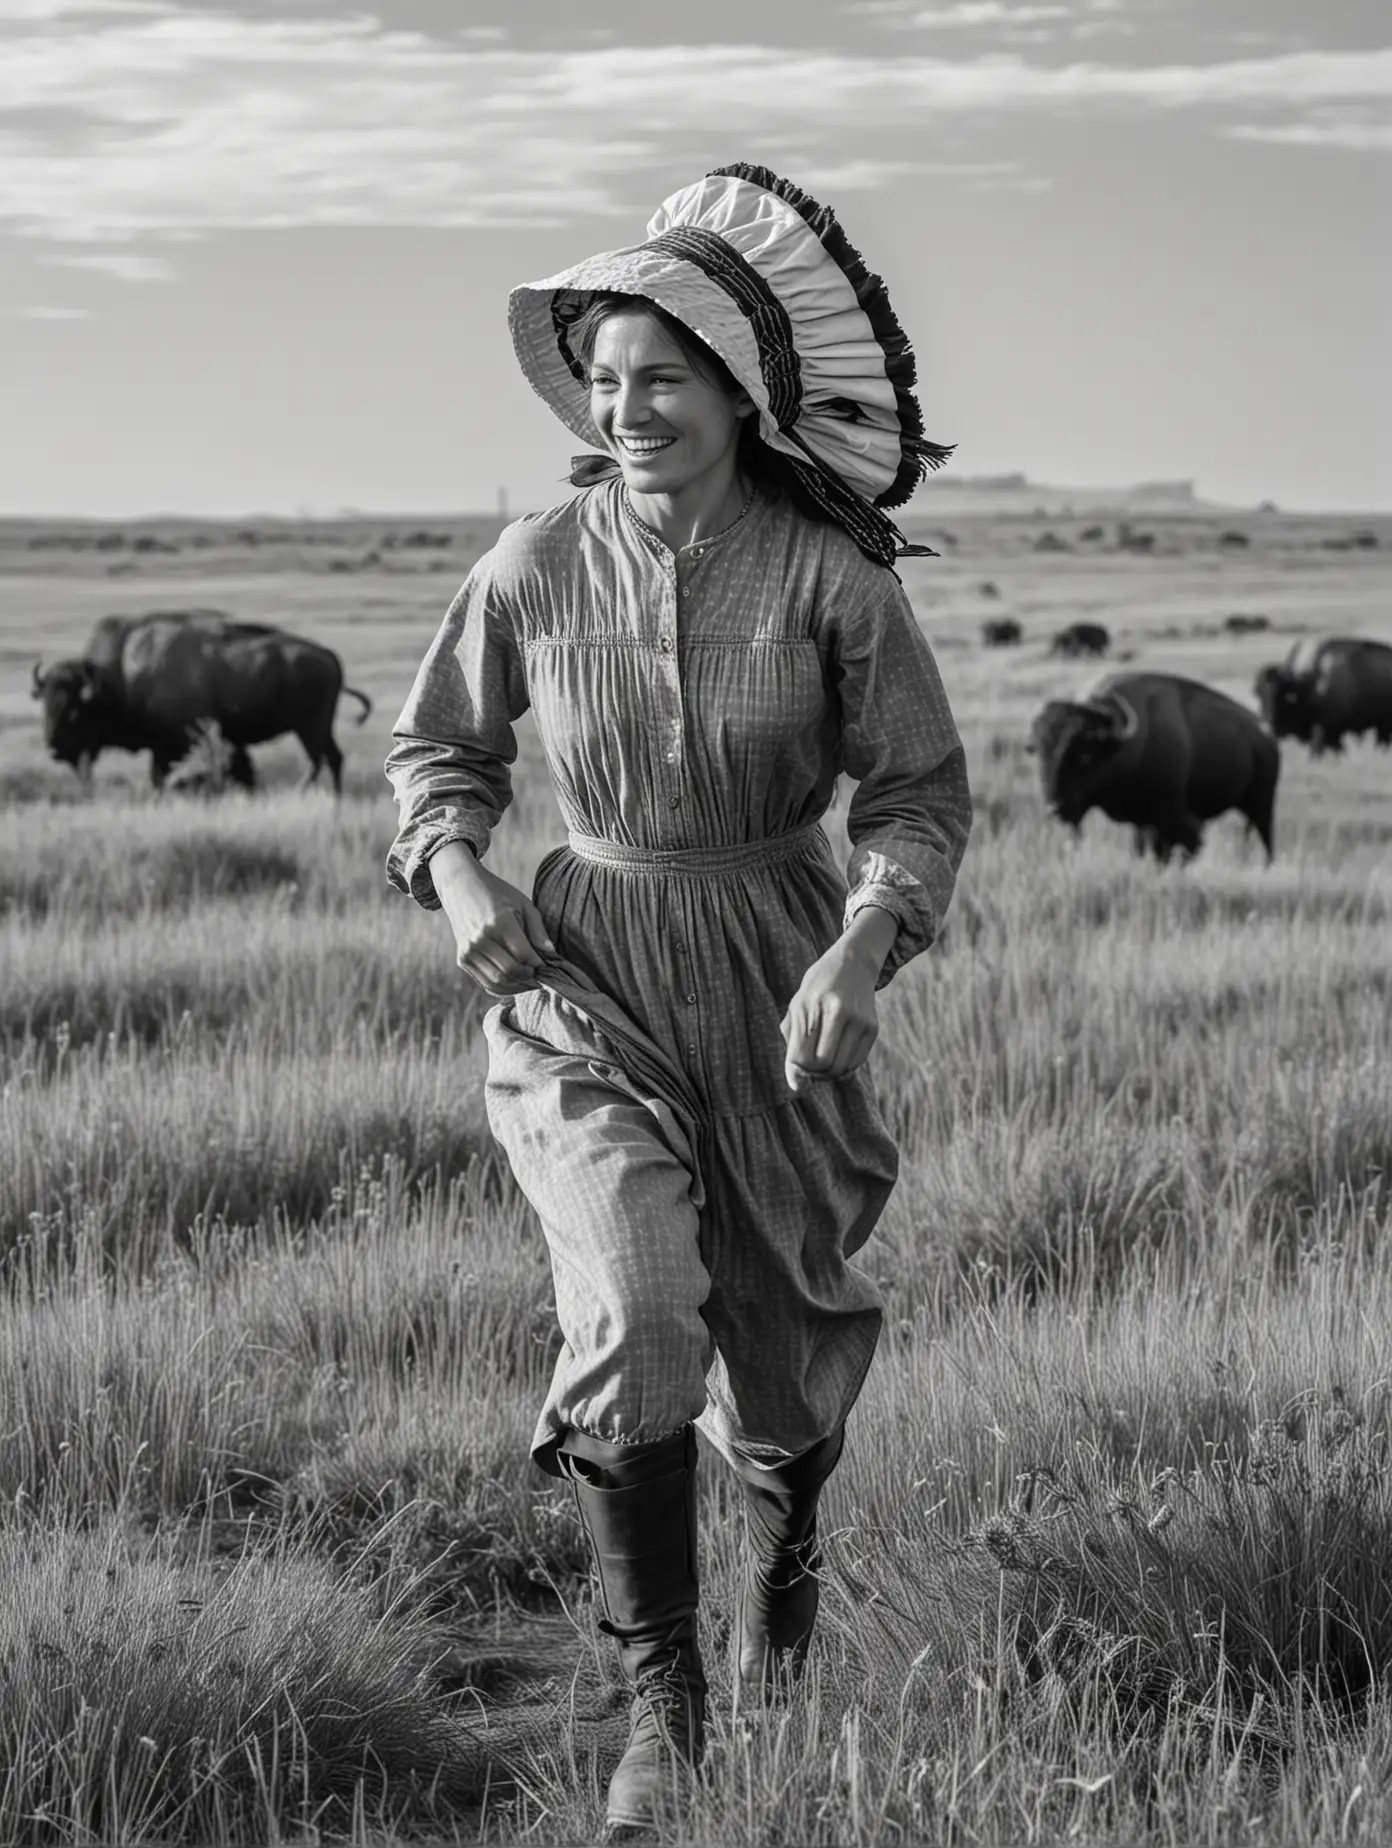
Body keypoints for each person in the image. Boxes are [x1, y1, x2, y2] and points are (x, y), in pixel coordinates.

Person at [386, 162, 972, 1837]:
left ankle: (782, 1608)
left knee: (784, 1366)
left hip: (778, 962)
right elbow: (440, 748)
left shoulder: (831, 581)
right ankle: (665, 1704)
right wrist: (462, 873)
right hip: (583, 969)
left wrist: (865, 946)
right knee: (640, 1307)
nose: (626, 405)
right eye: (606, 379)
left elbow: (918, 797)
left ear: (735, 394)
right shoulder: (534, 562)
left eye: (662, 377)